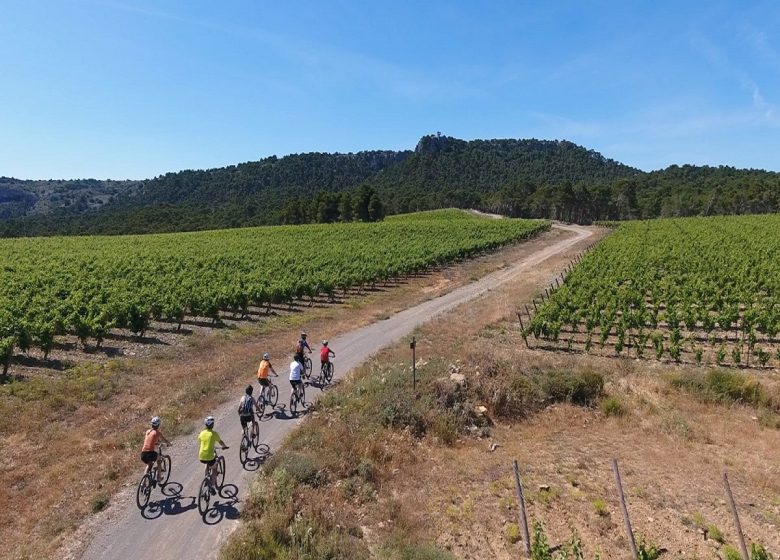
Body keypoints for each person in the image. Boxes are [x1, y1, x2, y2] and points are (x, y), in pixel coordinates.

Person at [198, 416, 228, 494]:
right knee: (214, 469)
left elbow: (200, 442)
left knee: (207, 463)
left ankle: (206, 478)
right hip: (210, 456)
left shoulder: (201, 433)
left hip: (201, 456)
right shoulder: (214, 434)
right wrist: (224, 446)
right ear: (212, 425)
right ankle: (212, 486)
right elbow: (220, 442)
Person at [140, 416, 171, 483]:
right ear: (158, 425)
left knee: (149, 464)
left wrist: (157, 443)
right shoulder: (157, 433)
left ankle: (143, 483)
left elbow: (151, 441)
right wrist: (169, 444)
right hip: (150, 453)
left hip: (143, 454)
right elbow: (164, 440)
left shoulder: (148, 431)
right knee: (159, 460)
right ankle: (159, 478)